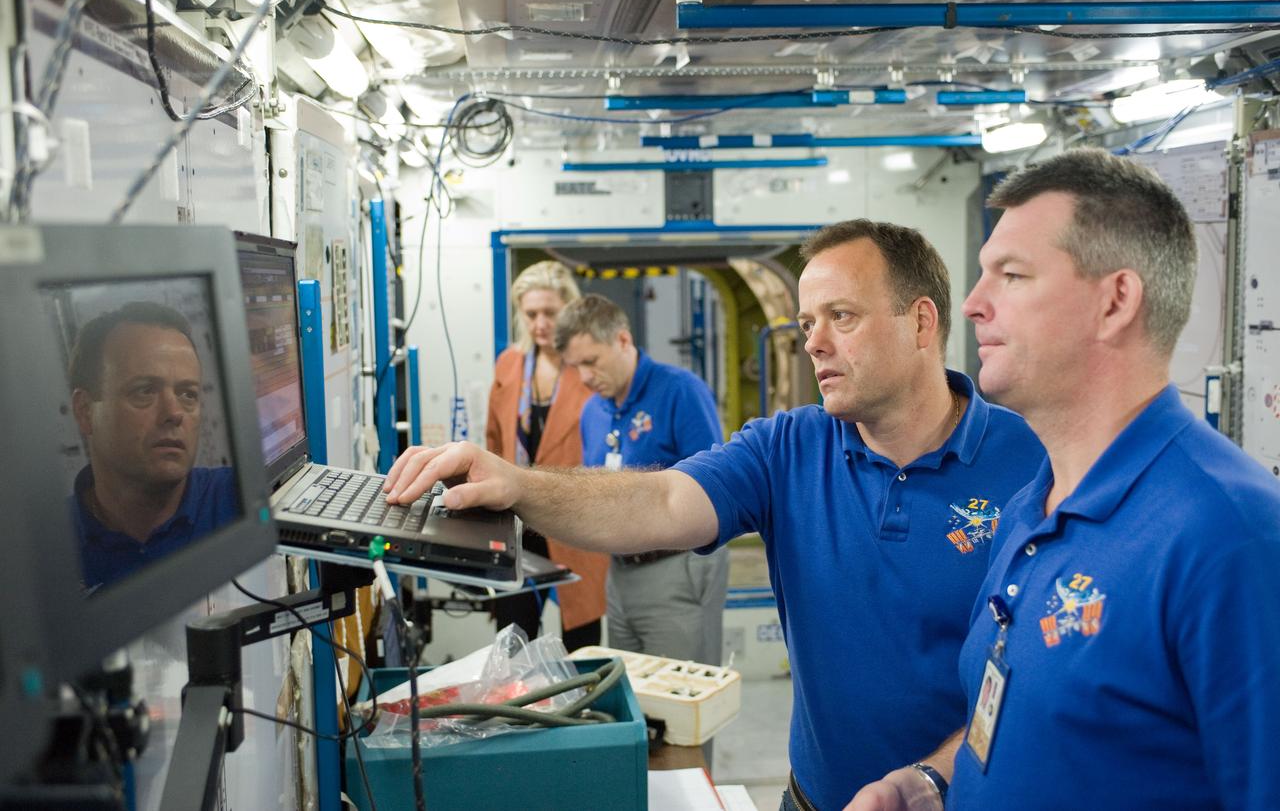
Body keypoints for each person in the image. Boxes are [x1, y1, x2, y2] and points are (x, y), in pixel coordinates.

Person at [384, 220, 1044, 810]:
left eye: (840, 316)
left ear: (922, 322)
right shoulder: (787, 446)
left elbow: (1046, 675)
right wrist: (517, 483)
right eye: (806, 321)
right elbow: (662, 498)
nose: (813, 343)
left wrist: (933, 778)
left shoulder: (1033, 462)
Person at [853, 148, 1280, 811]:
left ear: (1115, 301)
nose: (971, 303)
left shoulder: (1231, 535)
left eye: (1012, 275)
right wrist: (938, 780)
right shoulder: (1035, 509)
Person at [556, 293, 729, 667]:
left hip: (677, 568)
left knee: (682, 701)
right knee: (636, 703)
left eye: (591, 362)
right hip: (620, 575)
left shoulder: (680, 392)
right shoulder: (593, 412)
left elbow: (718, 487)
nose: (584, 377)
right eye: (575, 367)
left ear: (622, 340)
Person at [68, 301, 238, 591]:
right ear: (85, 411)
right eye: (145, 391)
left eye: (188, 394)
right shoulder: (41, 553)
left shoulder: (239, 499)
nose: (174, 413)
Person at [486, 260, 609, 651]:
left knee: (583, 636)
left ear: (568, 312)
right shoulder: (510, 364)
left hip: (574, 518)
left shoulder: (587, 369)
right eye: (531, 313)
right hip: (517, 520)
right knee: (513, 639)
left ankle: (584, 712)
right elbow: (494, 439)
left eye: (550, 313)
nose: (540, 323)